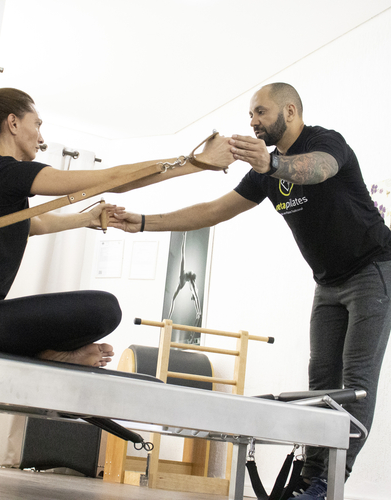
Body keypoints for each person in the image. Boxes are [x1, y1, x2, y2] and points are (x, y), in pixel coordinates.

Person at [110, 82, 391, 499]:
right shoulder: (263, 172)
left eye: (260, 113)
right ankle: (312, 479)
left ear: (290, 112)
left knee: (355, 382)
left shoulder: (326, 143)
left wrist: (273, 164)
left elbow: (317, 170)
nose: (253, 122)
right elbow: (213, 211)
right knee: (320, 386)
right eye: (251, 115)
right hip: (327, 282)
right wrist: (146, 222)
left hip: (373, 271)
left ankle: (326, 483)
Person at [0, 87, 234, 368]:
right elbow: (114, 180)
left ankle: (46, 352)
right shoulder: (8, 172)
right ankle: (44, 353)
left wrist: (84, 219)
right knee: (105, 309)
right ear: (13, 123)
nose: (41, 137)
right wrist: (199, 161)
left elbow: (32, 224)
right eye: (37, 124)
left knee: (98, 309)